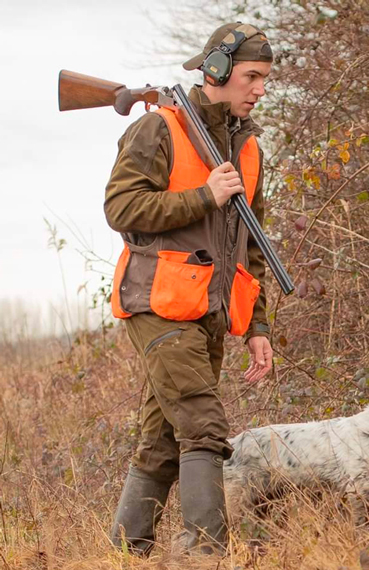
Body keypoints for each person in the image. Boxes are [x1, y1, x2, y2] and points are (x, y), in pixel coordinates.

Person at [104, 22, 274, 555]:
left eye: (265, 79)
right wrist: (204, 196)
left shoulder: (247, 150)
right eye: (251, 76)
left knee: (160, 443)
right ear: (217, 70)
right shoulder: (158, 128)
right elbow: (121, 208)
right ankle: (204, 552)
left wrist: (257, 326)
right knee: (203, 424)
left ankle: (124, 552)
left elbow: (251, 250)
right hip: (157, 304)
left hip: (210, 312)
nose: (260, 89)